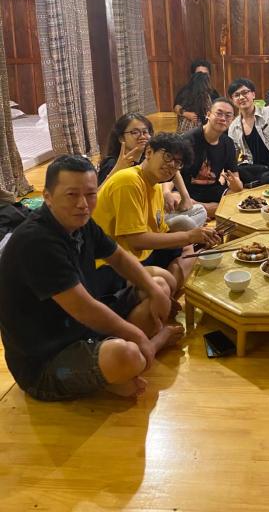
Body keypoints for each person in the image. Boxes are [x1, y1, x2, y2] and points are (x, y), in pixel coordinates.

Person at [0, 155, 182, 401]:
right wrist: (140, 336)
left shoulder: (81, 222)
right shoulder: (36, 242)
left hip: (81, 329)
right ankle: (147, 349)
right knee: (127, 355)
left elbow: (119, 258)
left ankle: (114, 369)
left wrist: (154, 291)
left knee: (159, 284)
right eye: (72, 195)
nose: (83, 204)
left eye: (90, 194)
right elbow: (84, 309)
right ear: (48, 197)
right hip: (44, 361)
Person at [93, 133, 221, 296]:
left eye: (178, 163)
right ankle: (161, 294)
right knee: (182, 254)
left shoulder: (155, 188)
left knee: (191, 250)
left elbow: (161, 231)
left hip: (141, 254)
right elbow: (136, 241)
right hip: (112, 265)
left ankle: (165, 294)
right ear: (149, 152)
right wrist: (189, 236)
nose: (172, 165)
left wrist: (196, 238)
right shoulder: (128, 181)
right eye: (168, 157)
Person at [97, 112, 208, 231]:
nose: (142, 136)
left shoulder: (146, 159)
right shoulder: (114, 164)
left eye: (145, 132)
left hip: (153, 216)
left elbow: (173, 170)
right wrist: (117, 170)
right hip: (128, 224)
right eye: (135, 132)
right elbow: (97, 199)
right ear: (121, 138)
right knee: (185, 223)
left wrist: (173, 194)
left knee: (199, 210)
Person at [227, 78, 269, 185]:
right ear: (232, 100)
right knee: (237, 171)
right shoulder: (234, 127)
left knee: (266, 177)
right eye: (236, 95)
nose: (241, 97)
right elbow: (232, 155)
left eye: (245, 92)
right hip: (258, 169)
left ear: (253, 94)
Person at [181, 98, 243, 210]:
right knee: (175, 199)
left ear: (232, 120)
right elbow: (173, 174)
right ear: (208, 114)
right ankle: (207, 209)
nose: (223, 119)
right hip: (185, 191)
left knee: (239, 201)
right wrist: (170, 193)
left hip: (212, 190)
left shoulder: (228, 143)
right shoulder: (188, 140)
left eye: (228, 115)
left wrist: (237, 186)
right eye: (219, 113)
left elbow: (235, 179)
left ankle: (202, 209)